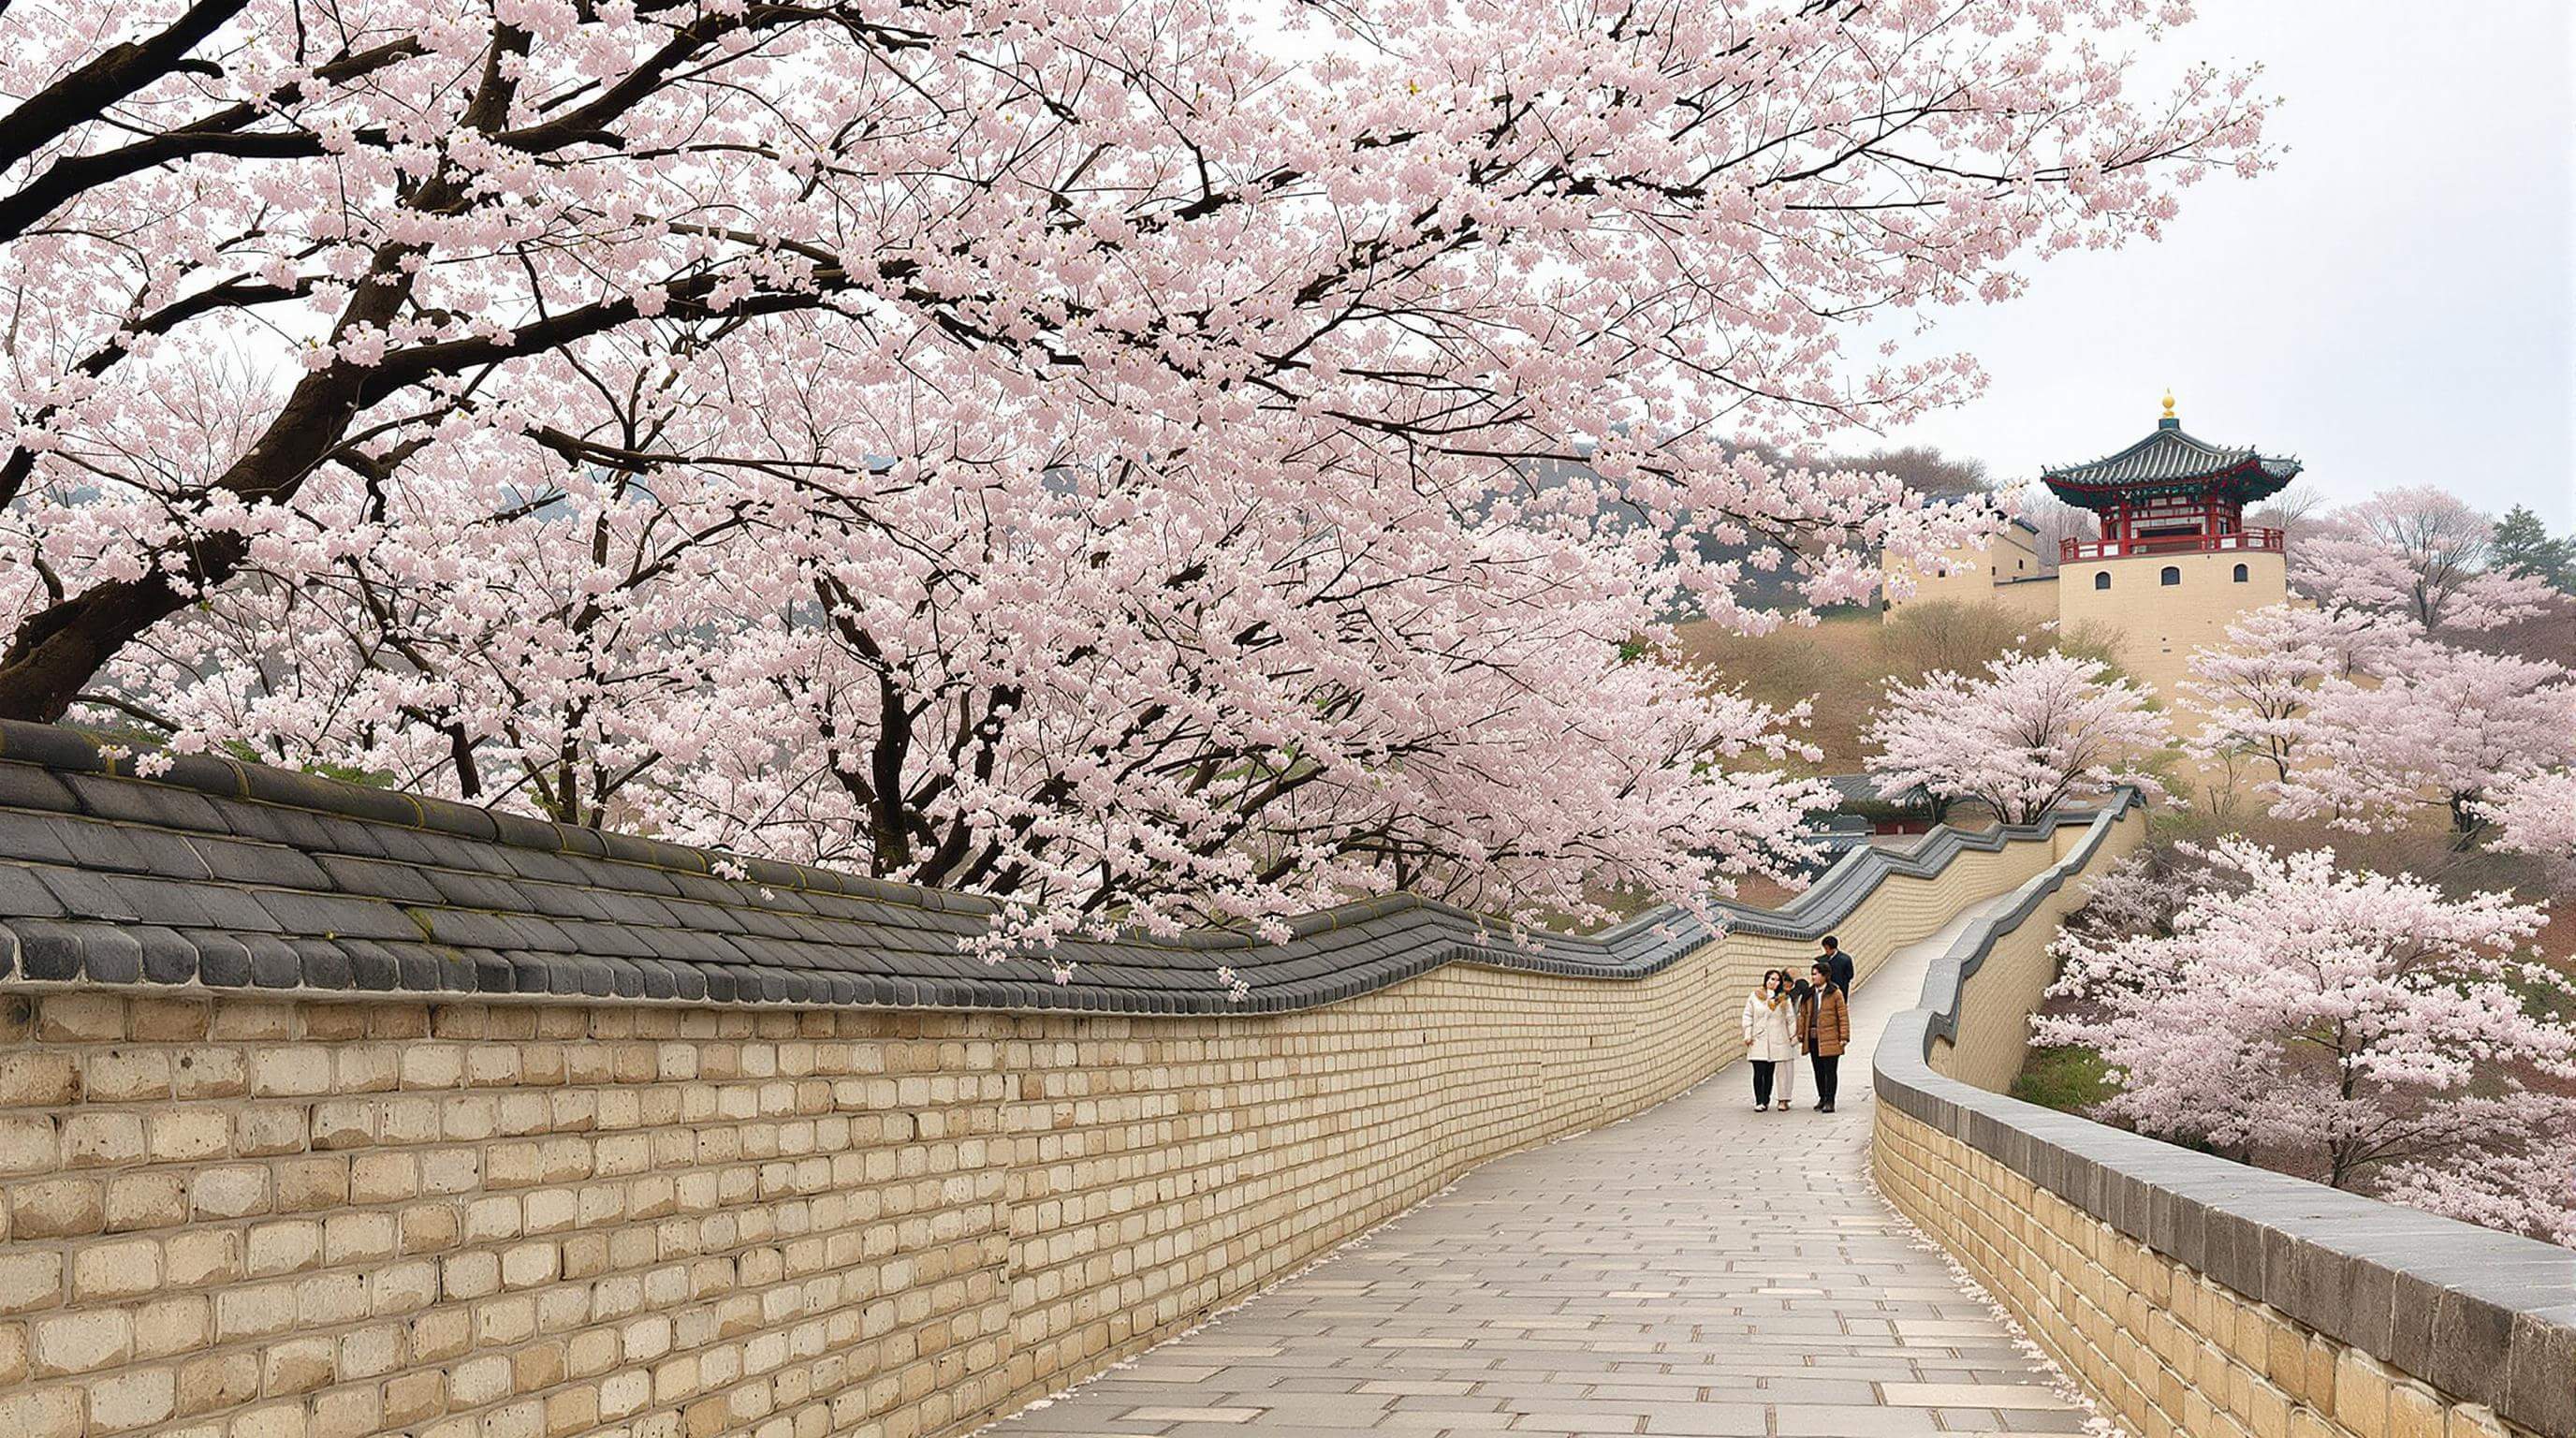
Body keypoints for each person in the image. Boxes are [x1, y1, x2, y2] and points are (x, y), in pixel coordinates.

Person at [1740, 969, 1800, 1111]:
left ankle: (1766, 1099)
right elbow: (1748, 1015)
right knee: (1758, 1070)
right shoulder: (1755, 996)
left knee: (1769, 1071)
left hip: (1776, 1039)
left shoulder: (1783, 998)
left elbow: (1790, 1018)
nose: (1774, 982)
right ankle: (1759, 1100)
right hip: (1758, 1038)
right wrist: (1747, 1034)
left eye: (1777, 980)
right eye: (1771, 979)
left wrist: (1793, 1036)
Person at [1802, 959, 1851, 1113]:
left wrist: (1844, 1037)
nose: (1813, 977)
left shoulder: (1835, 993)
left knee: (1830, 1070)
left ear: (1825, 976)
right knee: (1818, 1070)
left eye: (1816, 974)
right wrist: (1801, 1033)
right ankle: (1822, 1097)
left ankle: (1830, 1100)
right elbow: (1802, 1015)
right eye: (1812, 974)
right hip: (1813, 1037)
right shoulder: (1809, 993)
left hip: (1830, 1037)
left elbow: (1842, 1016)